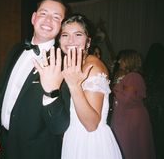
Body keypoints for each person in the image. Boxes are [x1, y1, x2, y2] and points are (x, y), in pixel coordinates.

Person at [0, 0, 71, 159]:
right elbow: (1, 90)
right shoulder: (16, 49)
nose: (48, 20)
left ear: (61, 26)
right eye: (43, 13)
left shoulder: (62, 63)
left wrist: (52, 91)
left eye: (56, 17)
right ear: (33, 18)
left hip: (36, 150)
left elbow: (59, 126)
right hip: (3, 140)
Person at [34, 14, 122, 159]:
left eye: (78, 34)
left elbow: (91, 124)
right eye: (65, 35)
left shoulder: (92, 66)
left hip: (90, 144)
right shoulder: (72, 64)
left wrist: (74, 86)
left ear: (88, 41)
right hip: (73, 138)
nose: (70, 41)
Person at [110, 49, 156, 159]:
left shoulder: (134, 76)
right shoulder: (128, 76)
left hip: (130, 120)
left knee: (129, 149)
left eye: (122, 59)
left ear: (129, 60)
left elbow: (127, 99)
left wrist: (114, 87)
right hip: (127, 117)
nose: (119, 61)